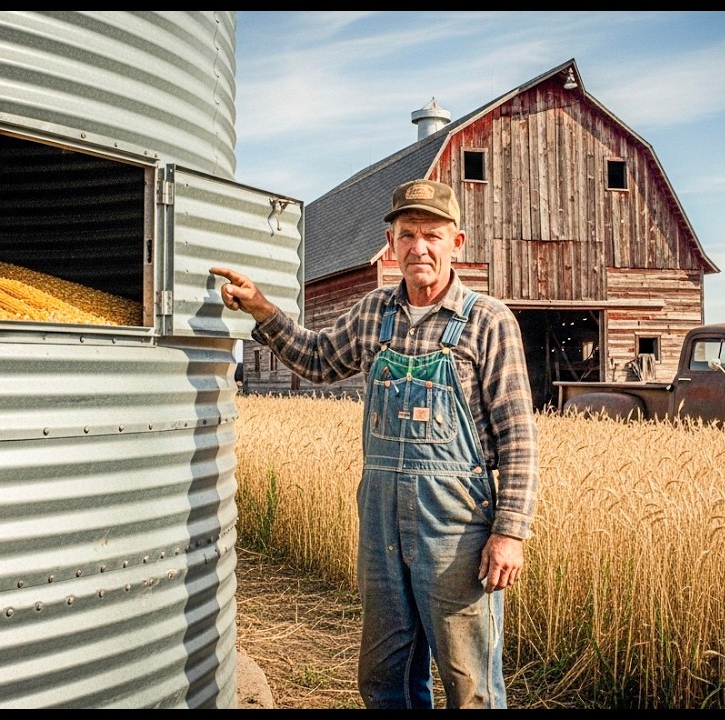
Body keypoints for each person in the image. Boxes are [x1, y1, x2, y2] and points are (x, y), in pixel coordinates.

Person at [210, 179, 538, 709]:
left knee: (469, 680)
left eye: (432, 234)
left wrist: (510, 532)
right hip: (381, 518)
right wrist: (263, 310)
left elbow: (518, 437)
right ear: (392, 242)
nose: (419, 247)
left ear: (457, 242)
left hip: (455, 526)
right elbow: (318, 360)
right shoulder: (374, 312)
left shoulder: (488, 321)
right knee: (384, 673)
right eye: (407, 234)